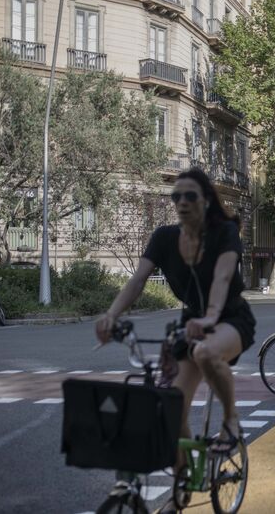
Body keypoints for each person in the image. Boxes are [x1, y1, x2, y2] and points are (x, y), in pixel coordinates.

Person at [95, 168, 255, 514]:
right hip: (190, 324)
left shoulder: (224, 233)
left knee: (207, 351)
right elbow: (138, 280)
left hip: (229, 317)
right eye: (176, 197)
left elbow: (224, 276)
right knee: (172, 409)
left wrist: (211, 315)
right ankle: (183, 487)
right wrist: (111, 315)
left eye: (190, 196)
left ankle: (231, 420)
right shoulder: (164, 238)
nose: (181, 202)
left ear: (206, 201)